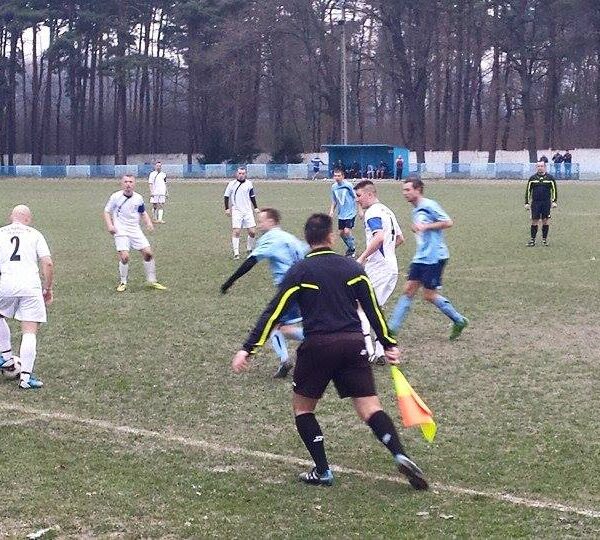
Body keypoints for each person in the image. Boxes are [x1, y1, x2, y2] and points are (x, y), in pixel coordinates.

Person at [231, 213, 428, 490]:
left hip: (318, 347)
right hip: (353, 345)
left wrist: (248, 349)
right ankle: (399, 453)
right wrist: (388, 344)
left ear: (307, 239)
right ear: (331, 237)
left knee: (303, 408)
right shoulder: (352, 268)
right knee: (370, 408)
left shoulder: (299, 271)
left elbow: (273, 313)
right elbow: (373, 309)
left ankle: (322, 471)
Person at [221, 208, 307, 378]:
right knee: (282, 327)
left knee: (273, 324)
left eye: (261, 221)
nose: (259, 225)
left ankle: (289, 357)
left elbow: (251, 261)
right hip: (304, 286)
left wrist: (230, 281)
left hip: (288, 288)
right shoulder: (289, 237)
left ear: (271, 221)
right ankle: (314, 339)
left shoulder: (270, 238)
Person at [389, 179, 468, 340]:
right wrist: (418, 229)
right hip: (421, 256)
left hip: (434, 257)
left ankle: (459, 320)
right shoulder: (416, 209)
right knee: (408, 290)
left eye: (408, 190)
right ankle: (391, 330)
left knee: (429, 295)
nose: (405, 193)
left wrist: (426, 227)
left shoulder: (429, 205)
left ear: (418, 189)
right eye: (404, 190)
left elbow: (448, 222)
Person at [0, 205, 53, 389]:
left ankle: (6, 357)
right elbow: (47, 262)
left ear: (11, 217)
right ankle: (25, 378)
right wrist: (48, 288)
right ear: (28, 219)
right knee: (29, 331)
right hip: (30, 286)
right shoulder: (35, 234)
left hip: (5, 284)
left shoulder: (1, 233)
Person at [354, 180, 404, 365]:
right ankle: (380, 351)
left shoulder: (372, 212)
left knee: (361, 305)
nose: (357, 200)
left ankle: (368, 351)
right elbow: (400, 239)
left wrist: (363, 258)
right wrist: (387, 253)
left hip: (379, 269)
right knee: (376, 307)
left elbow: (380, 237)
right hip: (391, 267)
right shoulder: (387, 211)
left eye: (359, 196)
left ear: (369, 194)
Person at [103, 175, 167, 292]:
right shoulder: (115, 197)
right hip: (120, 230)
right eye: (126, 182)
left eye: (131, 182)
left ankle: (151, 281)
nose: (128, 184)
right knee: (125, 257)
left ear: (134, 184)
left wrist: (148, 223)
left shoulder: (138, 198)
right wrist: (110, 225)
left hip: (135, 230)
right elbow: (107, 211)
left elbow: (142, 212)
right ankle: (123, 282)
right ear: (122, 184)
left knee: (148, 254)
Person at [224, 167, 259, 260]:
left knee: (252, 232)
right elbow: (226, 196)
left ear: (245, 174)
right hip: (237, 211)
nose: (241, 175)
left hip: (248, 211)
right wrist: (227, 208)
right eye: (239, 173)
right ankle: (236, 253)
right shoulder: (231, 184)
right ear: (236, 174)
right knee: (236, 231)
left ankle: (249, 248)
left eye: (243, 173)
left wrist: (255, 207)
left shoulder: (249, 183)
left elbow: (252, 196)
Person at [525, 161, 558, 247]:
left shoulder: (550, 178)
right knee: (534, 220)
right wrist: (527, 203)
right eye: (538, 166)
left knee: (545, 220)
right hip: (536, 203)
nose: (540, 168)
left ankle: (544, 240)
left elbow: (554, 190)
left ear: (545, 167)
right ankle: (532, 240)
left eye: (541, 166)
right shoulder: (532, 178)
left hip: (546, 203)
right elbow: (528, 191)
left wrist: (554, 201)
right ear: (536, 167)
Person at [328, 168, 357, 257]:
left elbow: (356, 197)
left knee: (347, 231)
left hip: (350, 212)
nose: (337, 177)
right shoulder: (334, 187)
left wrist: (359, 210)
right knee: (341, 233)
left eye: (339, 176)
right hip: (341, 214)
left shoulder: (348, 185)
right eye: (335, 176)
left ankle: (352, 249)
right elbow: (334, 201)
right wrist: (331, 211)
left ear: (343, 176)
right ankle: (350, 247)